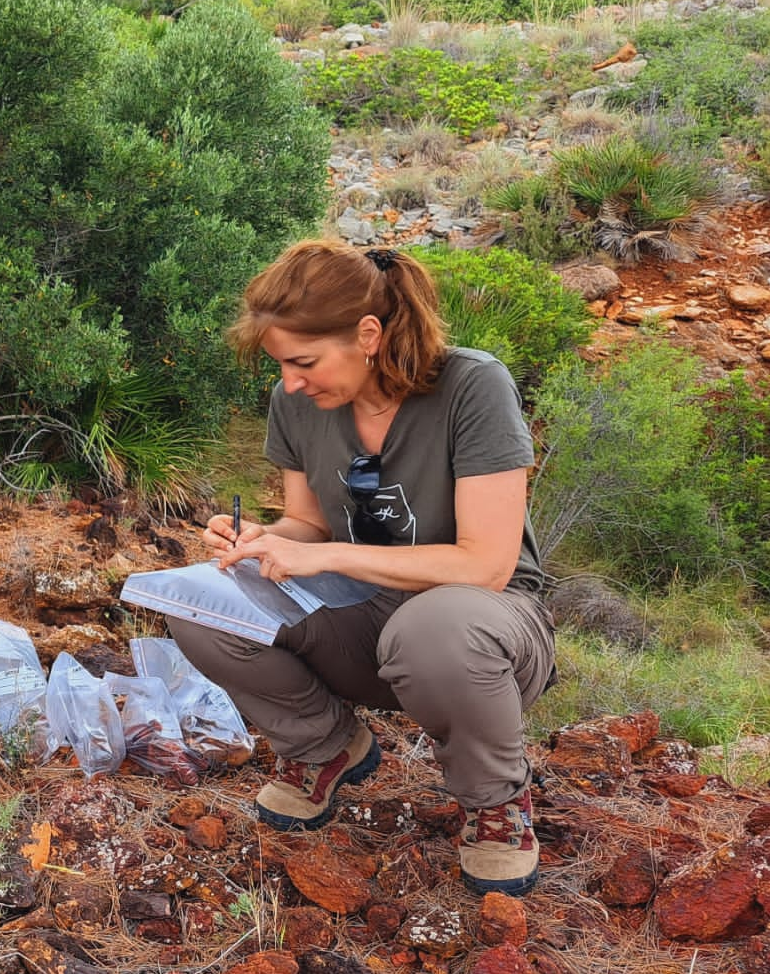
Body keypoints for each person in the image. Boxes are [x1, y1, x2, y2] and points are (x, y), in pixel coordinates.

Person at [164, 239, 556, 897]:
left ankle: (496, 805)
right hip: (362, 618)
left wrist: (318, 555)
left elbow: (486, 565)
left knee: (434, 627)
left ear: (367, 335)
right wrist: (262, 541)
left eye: (305, 362)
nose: (291, 382)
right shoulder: (299, 404)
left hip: (484, 628)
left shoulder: (472, 386)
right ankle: (325, 748)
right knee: (202, 602)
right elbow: (309, 526)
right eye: (282, 366)